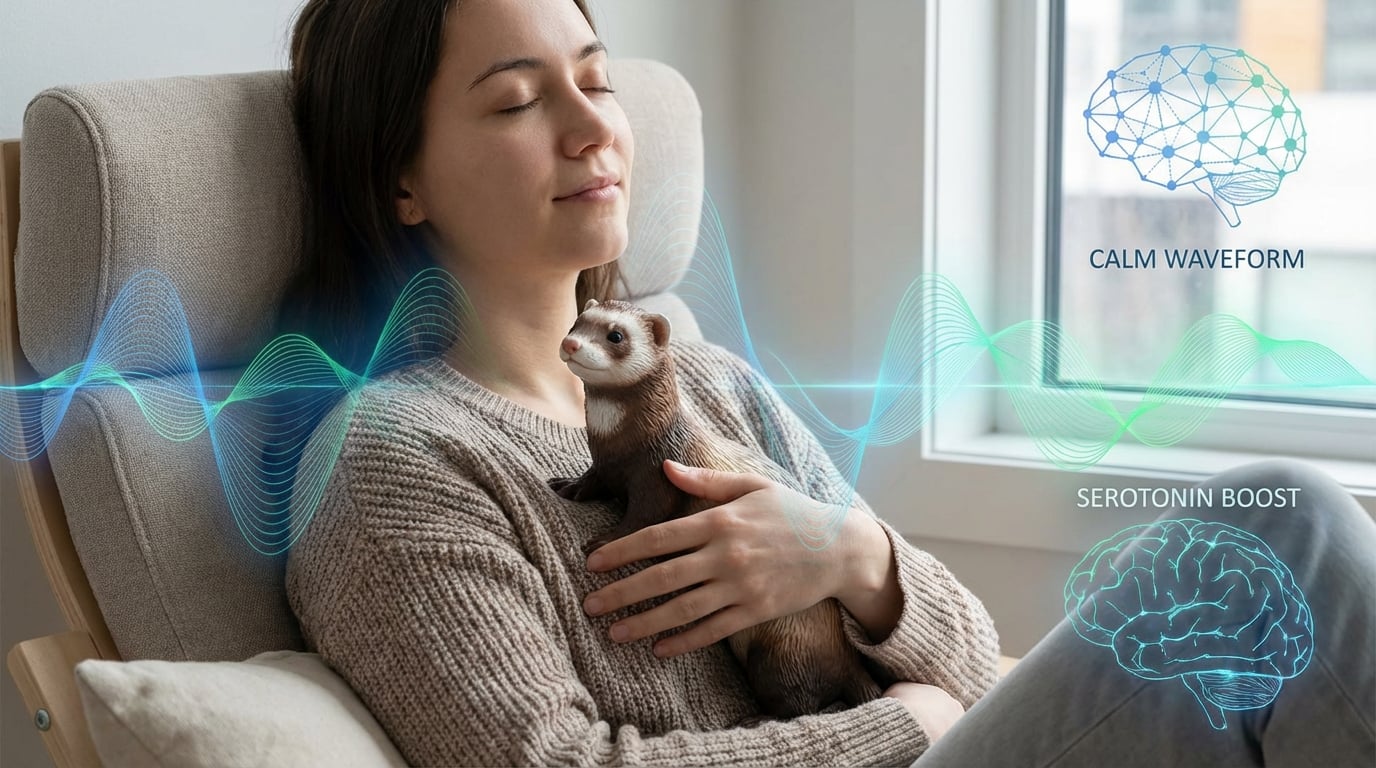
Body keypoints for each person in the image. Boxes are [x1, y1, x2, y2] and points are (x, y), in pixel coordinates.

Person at [279, 1, 1376, 766]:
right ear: (401, 178)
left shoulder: (707, 381)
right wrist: (899, 733)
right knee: (1283, 535)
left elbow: (971, 675)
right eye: (518, 101)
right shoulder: (393, 461)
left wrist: (859, 559)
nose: (590, 127)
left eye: (596, 79)